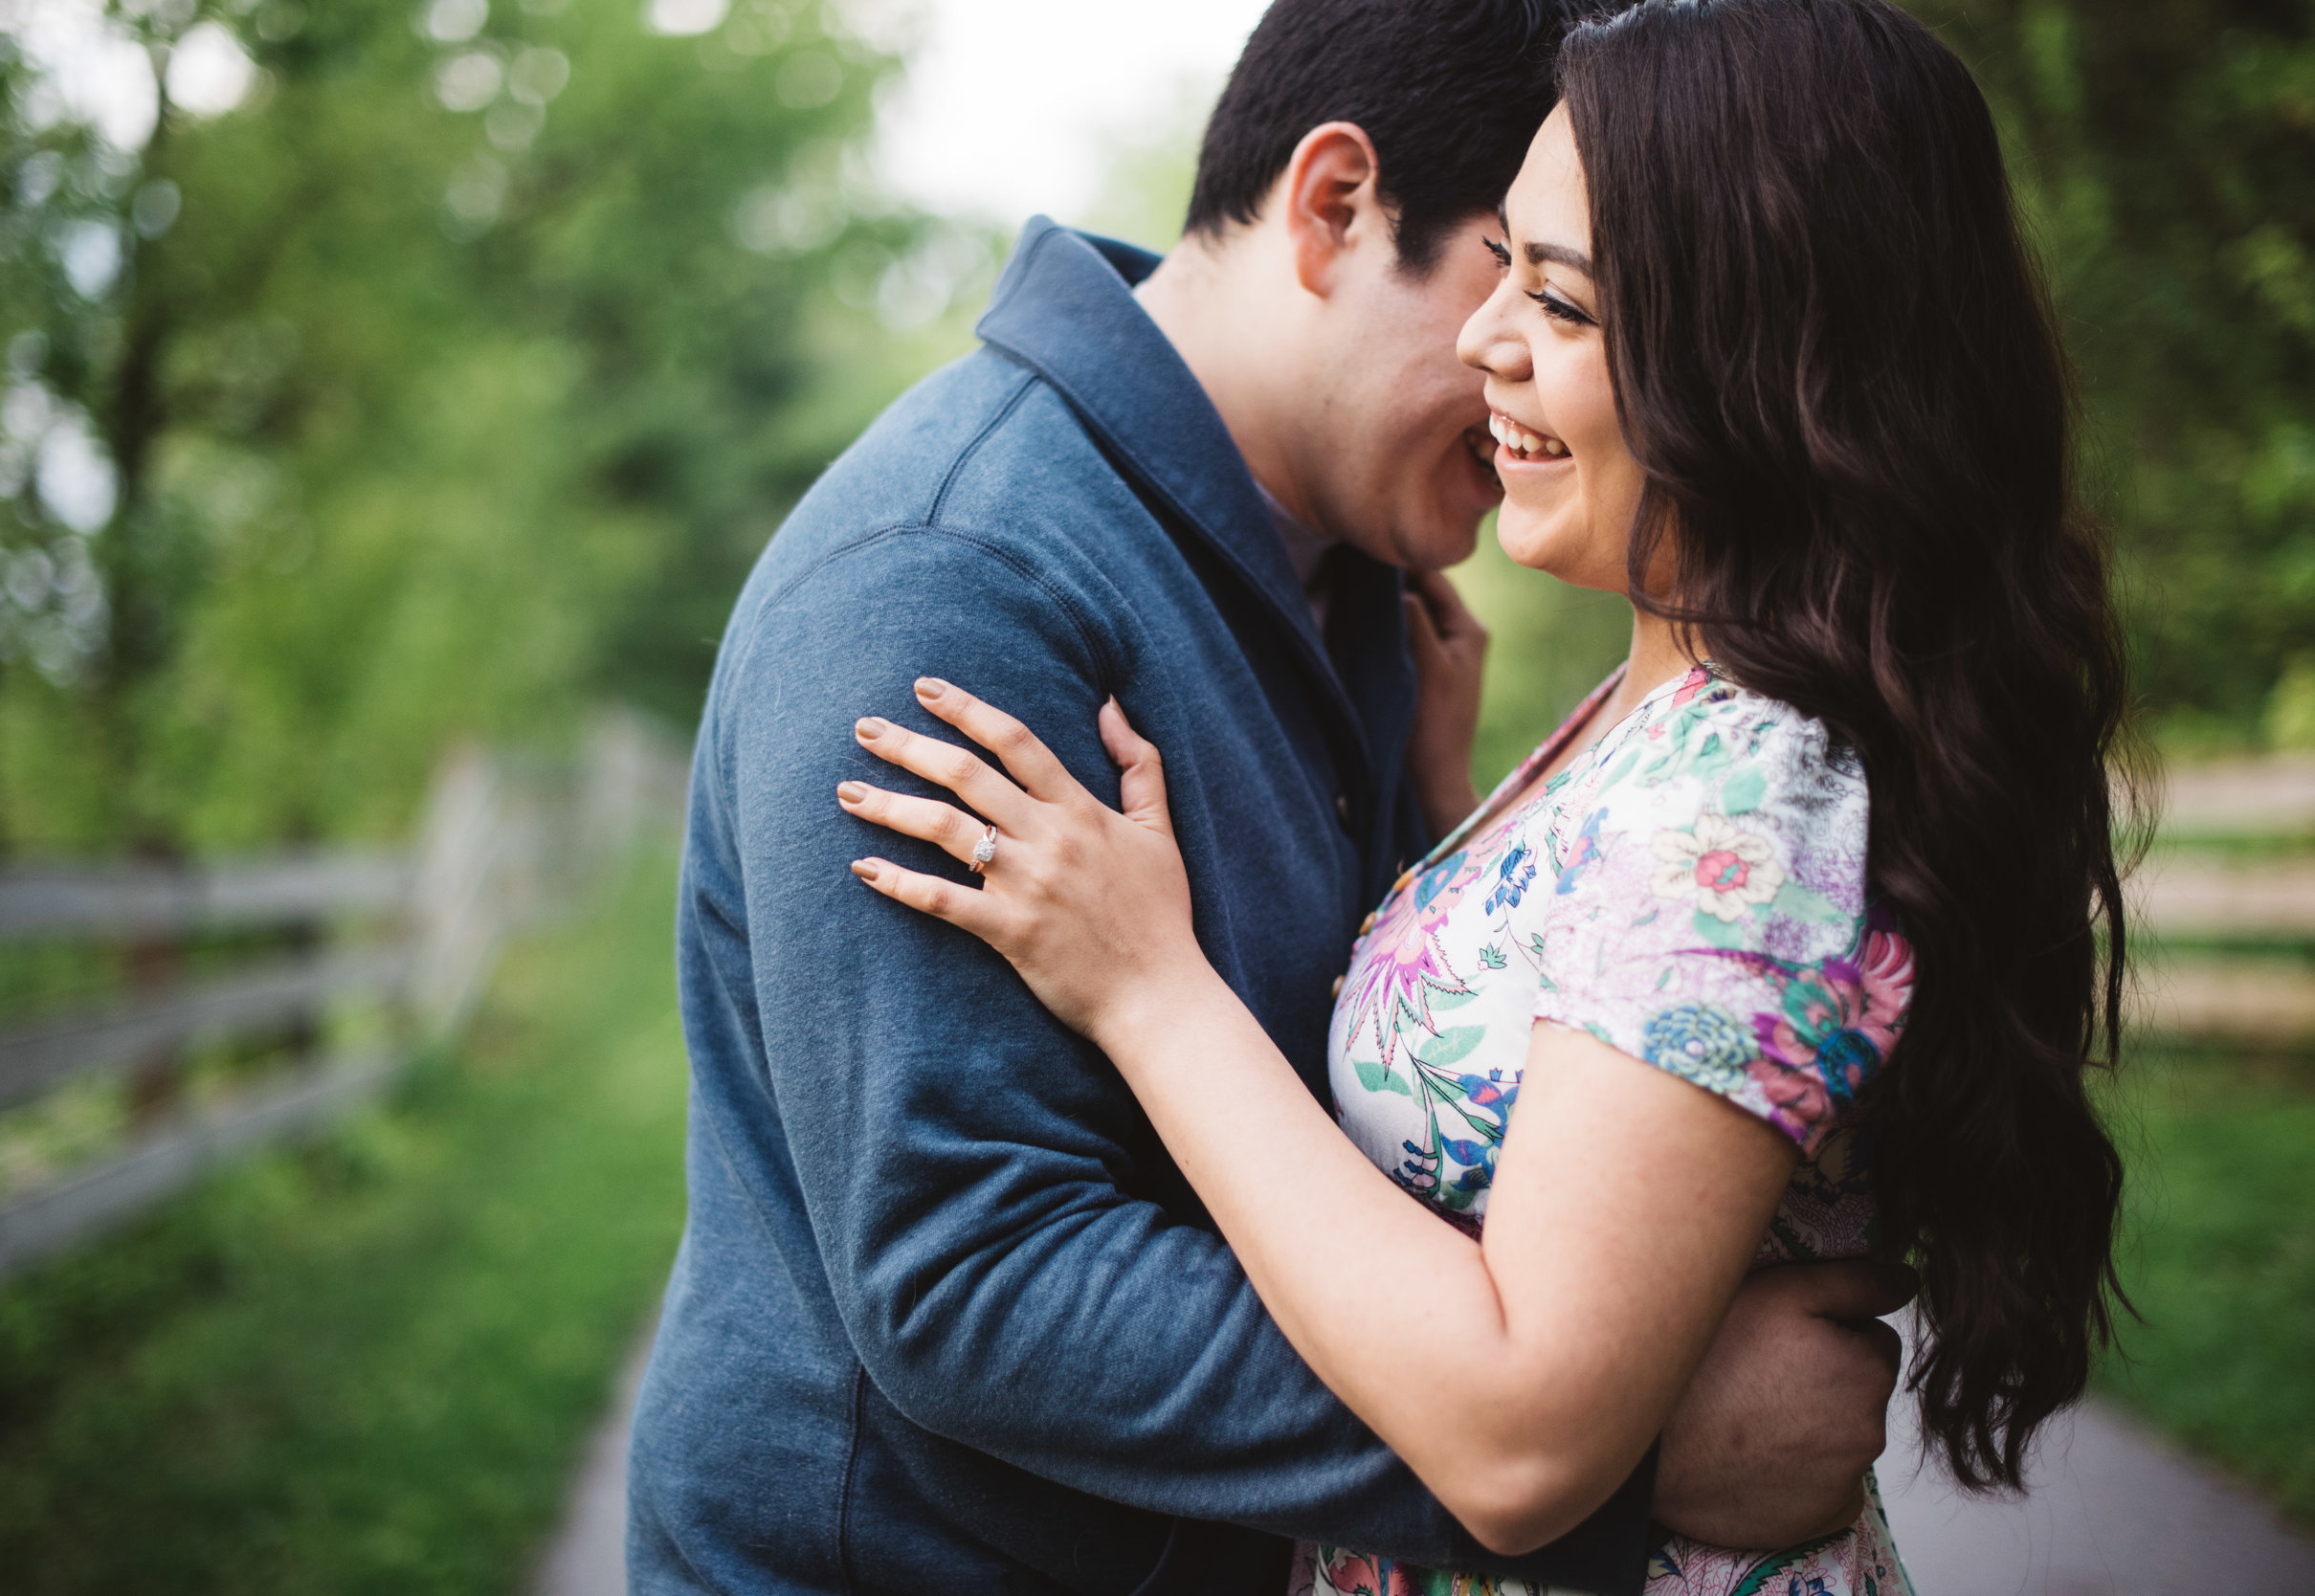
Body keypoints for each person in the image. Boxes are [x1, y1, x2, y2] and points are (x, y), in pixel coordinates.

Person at [835, 1, 2140, 1593]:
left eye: (1565, 299)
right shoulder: (1650, 710)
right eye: (1503, 262)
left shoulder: (1747, 787)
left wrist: (1147, 984)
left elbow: (1525, 1432)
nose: (1485, 339)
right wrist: (1464, 826)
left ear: (1768, 356)